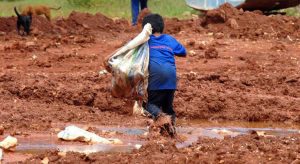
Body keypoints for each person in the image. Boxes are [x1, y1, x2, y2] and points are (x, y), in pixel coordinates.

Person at [142, 14, 187, 136]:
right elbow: (183, 52)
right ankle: (171, 132)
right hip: (171, 80)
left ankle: (161, 117)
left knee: (149, 105)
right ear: (162, 27)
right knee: (168, 107)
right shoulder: (169, 39)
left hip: (155, 79)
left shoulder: (144, 41)